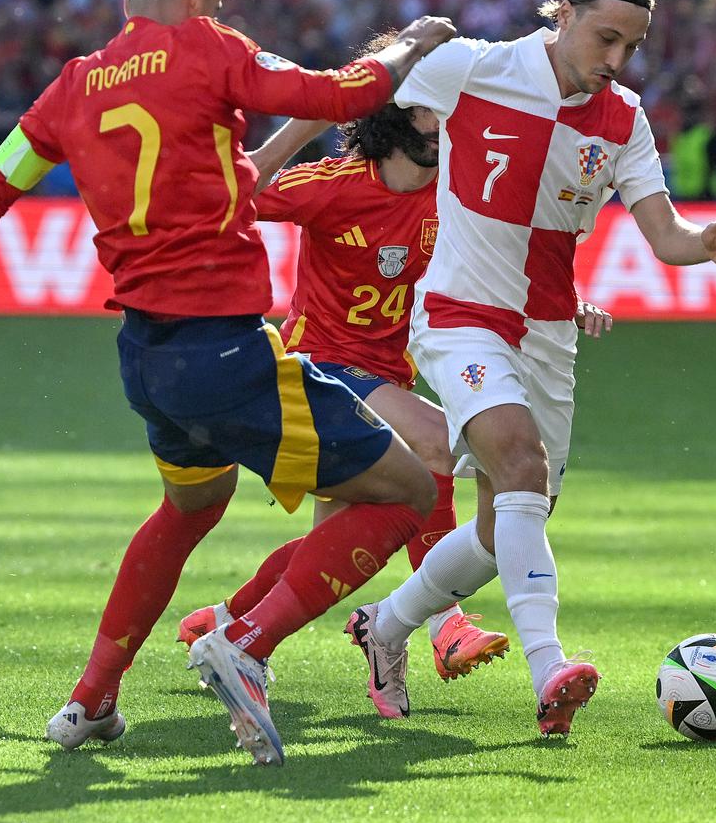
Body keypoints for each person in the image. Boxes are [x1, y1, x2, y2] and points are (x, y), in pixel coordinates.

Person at [0, 0, 454, 766]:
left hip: (144, 356)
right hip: (226, 350)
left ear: (125, 1)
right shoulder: (208, 50)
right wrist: (413, 45)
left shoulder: (71, 88)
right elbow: (330, 94)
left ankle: (90, 700)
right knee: (410, 490)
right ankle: (245, 641)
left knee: (190, 509)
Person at [342, 0, 716, 736]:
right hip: (461, 313)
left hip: (549, 331)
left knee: (509, 525)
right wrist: (268, 156)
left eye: (630, 47)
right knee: (522, 465)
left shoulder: (623, 118)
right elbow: (356, 94)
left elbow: (663, 234)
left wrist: (708, 242)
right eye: (605, 38)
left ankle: (386, 625)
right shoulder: (474, 67)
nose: (615, 60)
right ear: (559, 14)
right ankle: (549, 668)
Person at [174, 59, 610, 703]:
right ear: (394, 114)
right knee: (440, 441)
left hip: (389, 375)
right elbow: (237, 199)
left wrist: (564, 301)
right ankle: (444, 624)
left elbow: (510, 263)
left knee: (342, 548)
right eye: (428, 109)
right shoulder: (333, 184)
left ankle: (227, 621)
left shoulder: (457, 197)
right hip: (316, 366)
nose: (442, 123)